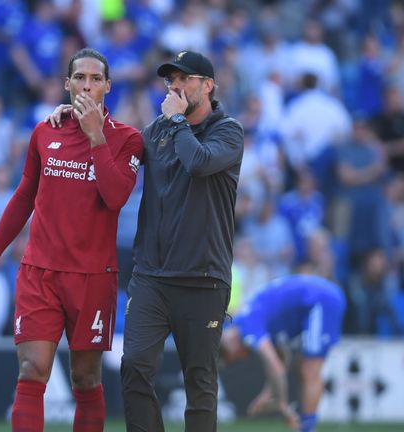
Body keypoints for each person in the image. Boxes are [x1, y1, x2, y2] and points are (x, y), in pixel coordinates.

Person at [0, 47, 144, 431]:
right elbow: (23, 197)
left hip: (93, 277)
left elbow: (116, 197)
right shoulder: (45, 131)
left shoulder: (128, 140)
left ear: (108, 87)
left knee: (85, 379)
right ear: (66, 84)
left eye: (95, 79)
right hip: (40, 272)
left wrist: (96, 137)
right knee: (32, 370)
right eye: (79, 78)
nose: (87, 85)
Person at [120, 50, 244, 432]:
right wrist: (74, 124)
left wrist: (175, 120)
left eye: (184, 78)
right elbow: (118, 150)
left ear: (208, 85)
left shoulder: (229, 131)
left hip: (202, 278)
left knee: (200, 383)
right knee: (134, 367)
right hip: (152, 276)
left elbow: (198, 162)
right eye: (170, 80)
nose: (174, 86)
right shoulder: (157, 130)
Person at [220, 271, 346, 432]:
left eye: (236, 358)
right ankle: (306, 426)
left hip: (320, 300)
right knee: (303, 367)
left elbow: (276, 366)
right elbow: (282, 356)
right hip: (317, 297)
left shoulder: (248, 327)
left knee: (309, 369)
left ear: (232, 345)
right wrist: (269, 393)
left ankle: (306, 429)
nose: (244, 357)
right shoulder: (245, 320)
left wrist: (282, 405)